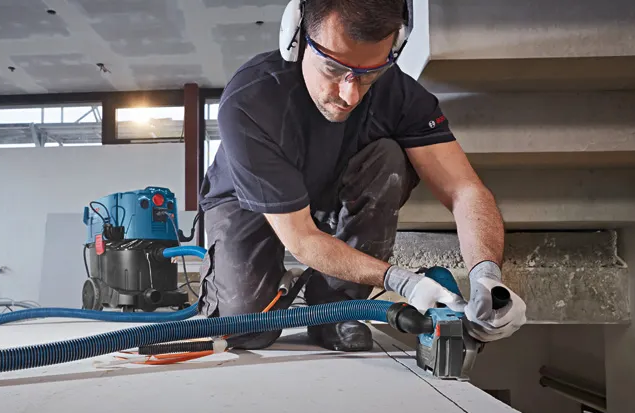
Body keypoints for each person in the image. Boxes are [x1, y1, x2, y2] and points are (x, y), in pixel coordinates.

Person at [196, 0, 527, 352]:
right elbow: (303, 239)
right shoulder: (251, 101)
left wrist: (486, 274)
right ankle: (265, 289)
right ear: (296, 38)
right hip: (245, 204)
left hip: (327, 190)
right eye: (333, 70)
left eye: (370, 73)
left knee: (389, 158)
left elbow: (464, 189)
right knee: (246, 330)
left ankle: (336, 308)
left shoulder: (400, 96)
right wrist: (399, 280)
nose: (350, 94)